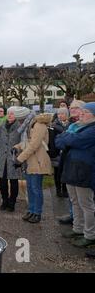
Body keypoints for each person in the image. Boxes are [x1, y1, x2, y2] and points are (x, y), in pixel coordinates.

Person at [56, 102, 95, 248]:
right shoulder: (78, 127)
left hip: (84, 171)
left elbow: (74, 141)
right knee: (75, 202)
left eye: (85, 112)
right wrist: (67, 138)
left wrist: (67, 137)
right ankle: (78, 228)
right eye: (82, 111)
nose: (81, 114)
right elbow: (59, 142)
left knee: (86, 204)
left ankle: (90, 235)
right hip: (71, 169)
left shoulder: (92, 130)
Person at [14, 112, 53, 224]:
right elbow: (28, 142)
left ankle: (37, 212)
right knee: (30, 188)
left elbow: (34, 145)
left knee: (36, 188)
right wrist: (17, 147)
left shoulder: (39, 125)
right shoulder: (32, 124)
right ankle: (31, 210)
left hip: (38, 160)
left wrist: (19, 159)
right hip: (31, 161)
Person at [58, 99, 85, 225]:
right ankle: (73, 215)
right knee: (72, 196)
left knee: (84, 199)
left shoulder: (85, 125)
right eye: (71, 107)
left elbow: (70, 142)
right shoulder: (70, 124)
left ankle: (83, 224)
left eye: (76, 108)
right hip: (68, 162)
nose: (72, 109)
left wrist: (66, 140)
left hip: (81, 165)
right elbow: (59, 142)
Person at [0, 107, 22, 212]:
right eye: (9, 113)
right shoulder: (1, 126)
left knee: (14, 181)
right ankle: (4, 201)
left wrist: (19, 156)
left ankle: (12, 202)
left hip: (13, 158)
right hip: (2, 157)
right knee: (3, 181)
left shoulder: (19, 127)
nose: (10, 115)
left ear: (16, 115)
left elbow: (22, 142)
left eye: (12, 114)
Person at [50, 108, 69, 197]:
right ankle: (58, 189)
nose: (60, 116)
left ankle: (65, 189)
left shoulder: (70, 125)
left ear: (67, 115)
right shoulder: (53, 126)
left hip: (67, 152)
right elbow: (51, 141)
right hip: (57, 152)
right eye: (59, 114)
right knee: (57, 172)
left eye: (62, 114)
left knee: (65, 171)